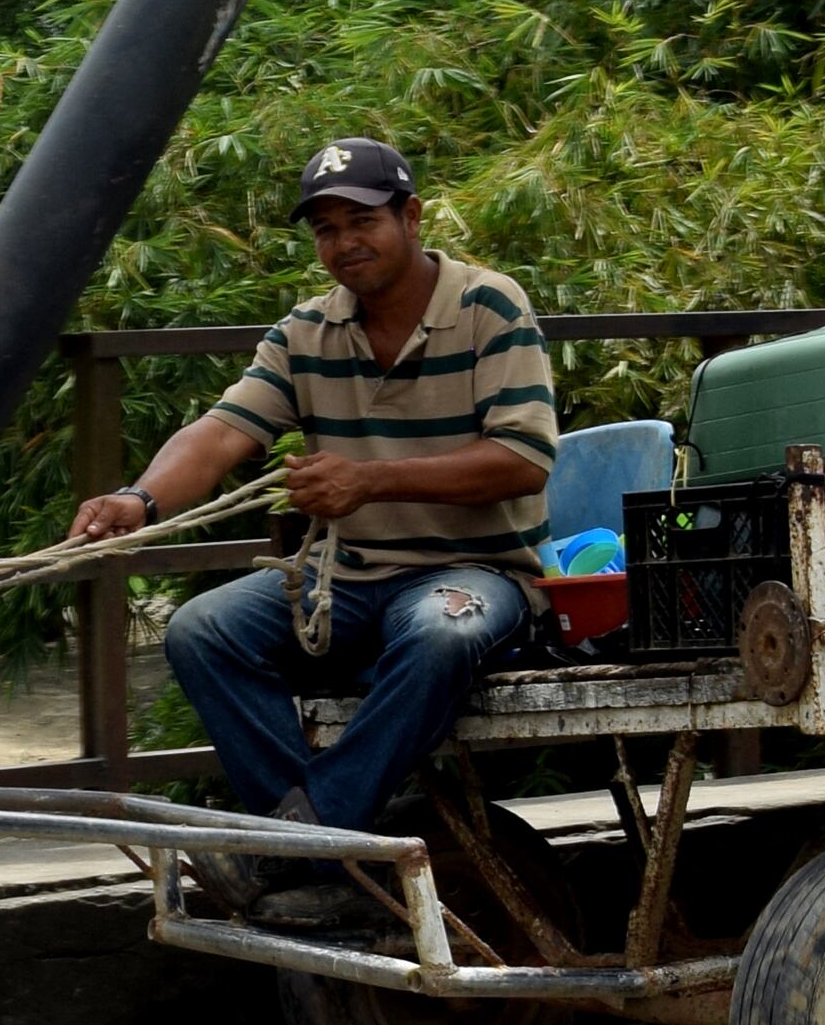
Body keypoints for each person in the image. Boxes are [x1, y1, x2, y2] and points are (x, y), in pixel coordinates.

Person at [66, 140, 558, 886]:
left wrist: (369, 481)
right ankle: (317, 843)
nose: (344, 242)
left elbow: (522, 458)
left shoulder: (488, 305)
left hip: (479, 572)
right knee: (203, 630)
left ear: (411, 216)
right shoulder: (306, 330)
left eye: (362, 220)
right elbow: (222, 432)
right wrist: (140, 498)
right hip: (348, 578)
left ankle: (304, 842)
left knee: (440, 633)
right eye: (326, 229)